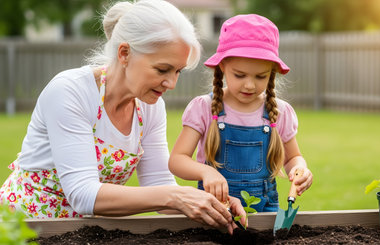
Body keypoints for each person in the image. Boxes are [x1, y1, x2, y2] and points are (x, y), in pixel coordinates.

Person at [0, 0, 245, 233]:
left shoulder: (149, 106)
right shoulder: (70, 92)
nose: (171, 83)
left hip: (79, 233)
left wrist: (210, 204)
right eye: (162, 69)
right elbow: (83, 194)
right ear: (125, 53)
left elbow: (159, 184)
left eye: (178, 71)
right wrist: (177, 197)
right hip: (23, 228)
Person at [169, 14, 313, 212]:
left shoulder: (280, 112)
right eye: (239, 75)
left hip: (265, 211)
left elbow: (292, 158)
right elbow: (177, 160)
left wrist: (299, 169)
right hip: (214, 209)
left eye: (260, 76)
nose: (249, 85)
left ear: (271, 72)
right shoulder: (204, 107)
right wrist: (206, 172)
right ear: (222, 66)